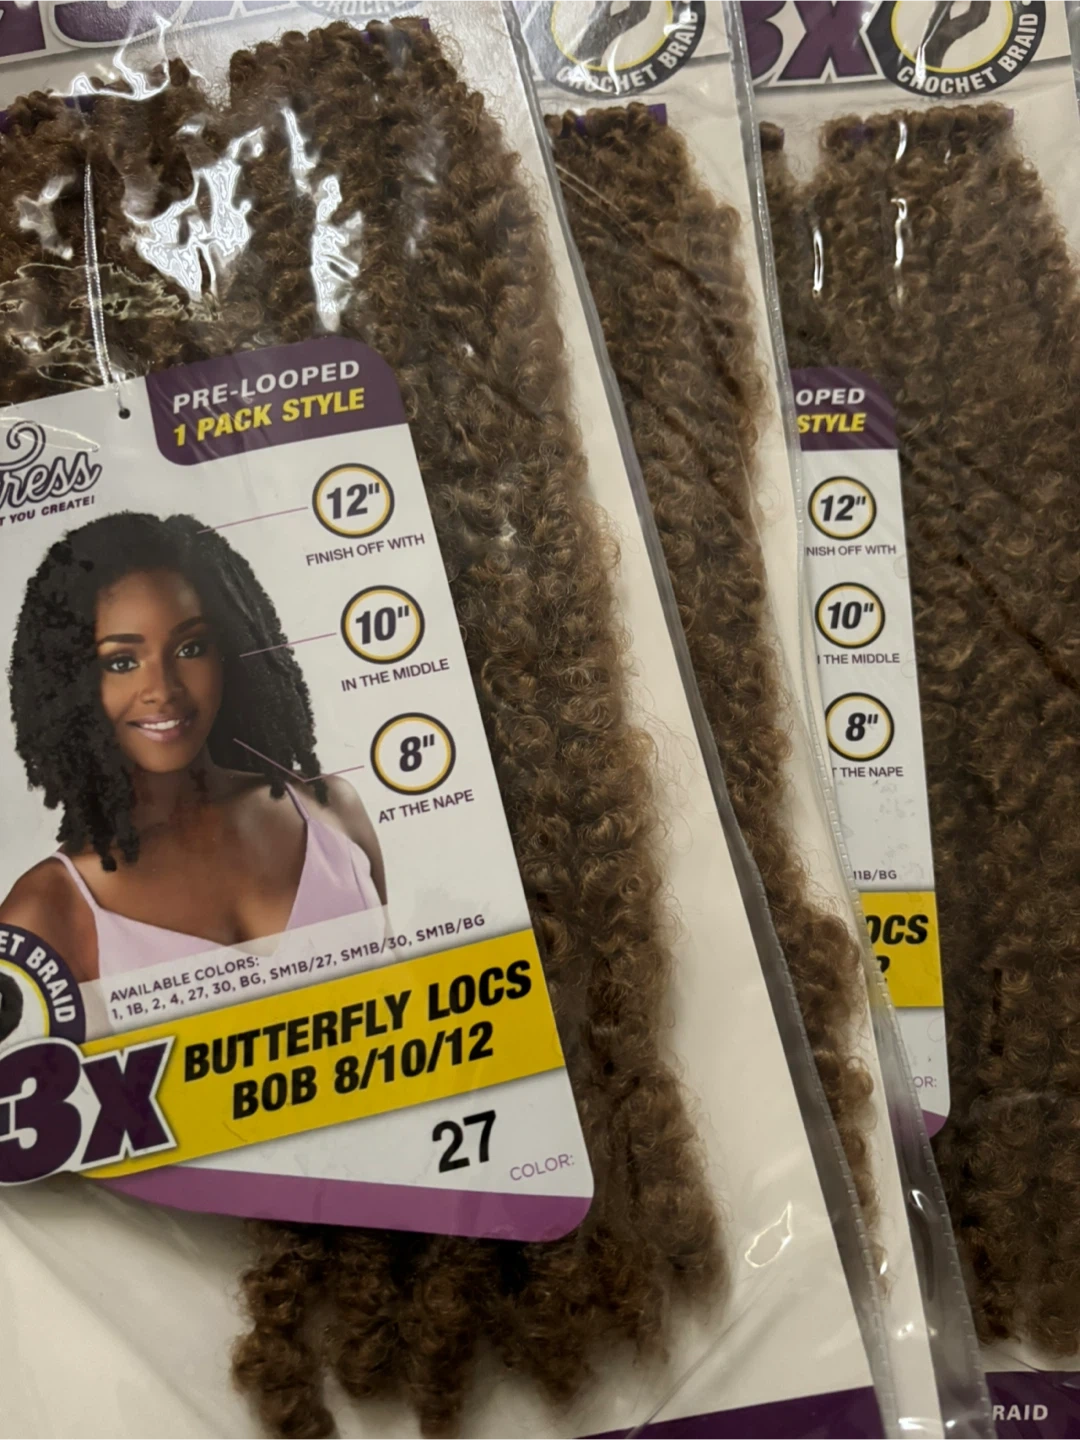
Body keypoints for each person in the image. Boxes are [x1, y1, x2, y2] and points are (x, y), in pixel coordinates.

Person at [0, 511, 386, 984]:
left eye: (190, 649)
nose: (163, 690)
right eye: (121, 662)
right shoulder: (46, 912)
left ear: (228, 654)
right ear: (67, 685)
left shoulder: (331, 814)